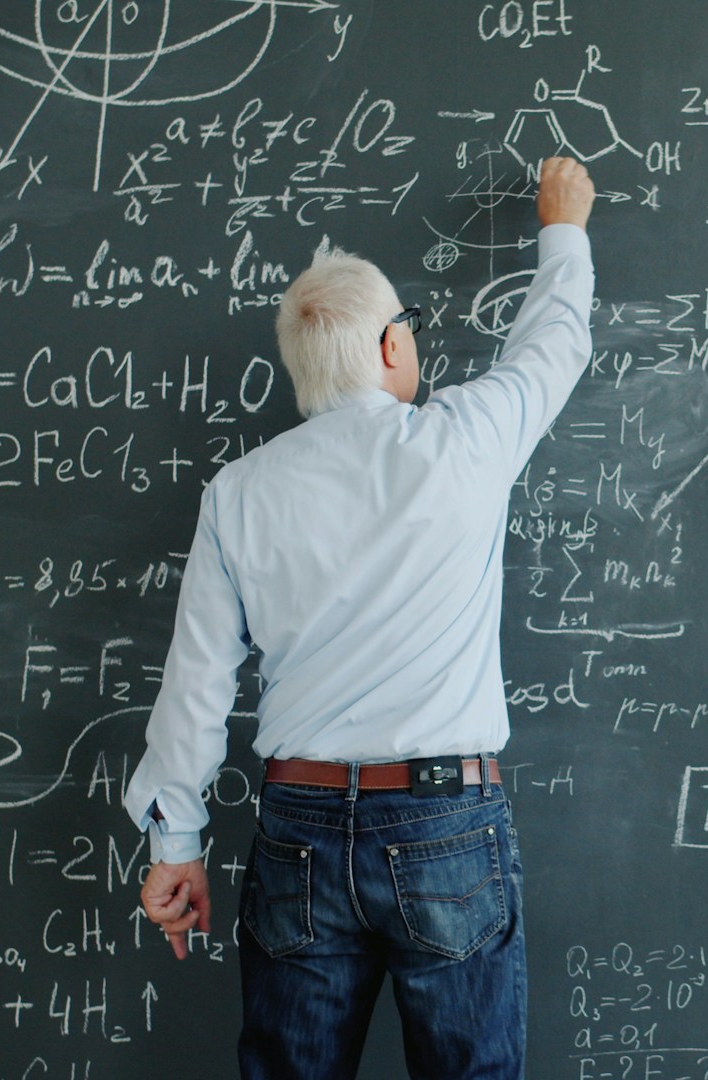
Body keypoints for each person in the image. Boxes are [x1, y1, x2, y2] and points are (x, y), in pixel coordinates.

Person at [124, 155, 596, 1080]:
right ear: (390, 347)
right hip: (445, 822)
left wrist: (174, 843)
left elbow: (196, 685)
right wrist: (563, 227)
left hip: (297, 826)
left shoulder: (240, 493)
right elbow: (553, 346)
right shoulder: (467, 438)